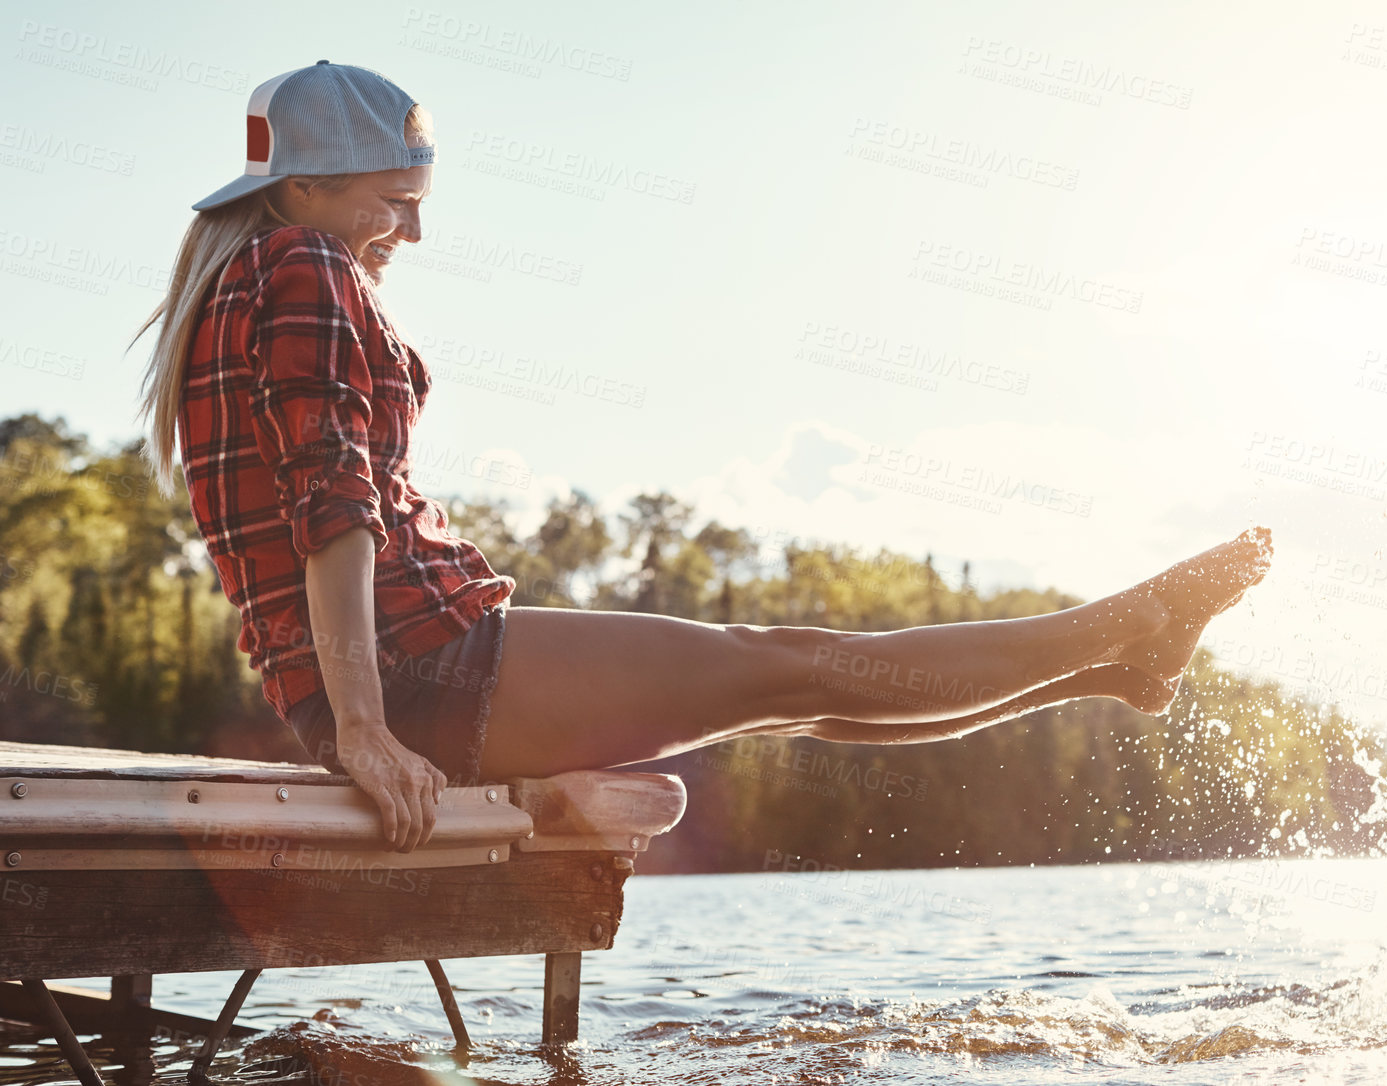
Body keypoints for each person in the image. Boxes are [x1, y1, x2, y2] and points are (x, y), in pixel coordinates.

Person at [135, 62, 1273, 854]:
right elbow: (332, 507)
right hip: (419, 666)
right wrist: (371, 729)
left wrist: (352, 717)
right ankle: (1124, 623)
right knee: (799, 665)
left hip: (388, 671)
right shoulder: (303, 268)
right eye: (397, 200)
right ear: (302, 187)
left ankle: (1103, 666)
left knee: (799, 694)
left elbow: (313, 508)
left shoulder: (238, 284)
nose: (414, 234)